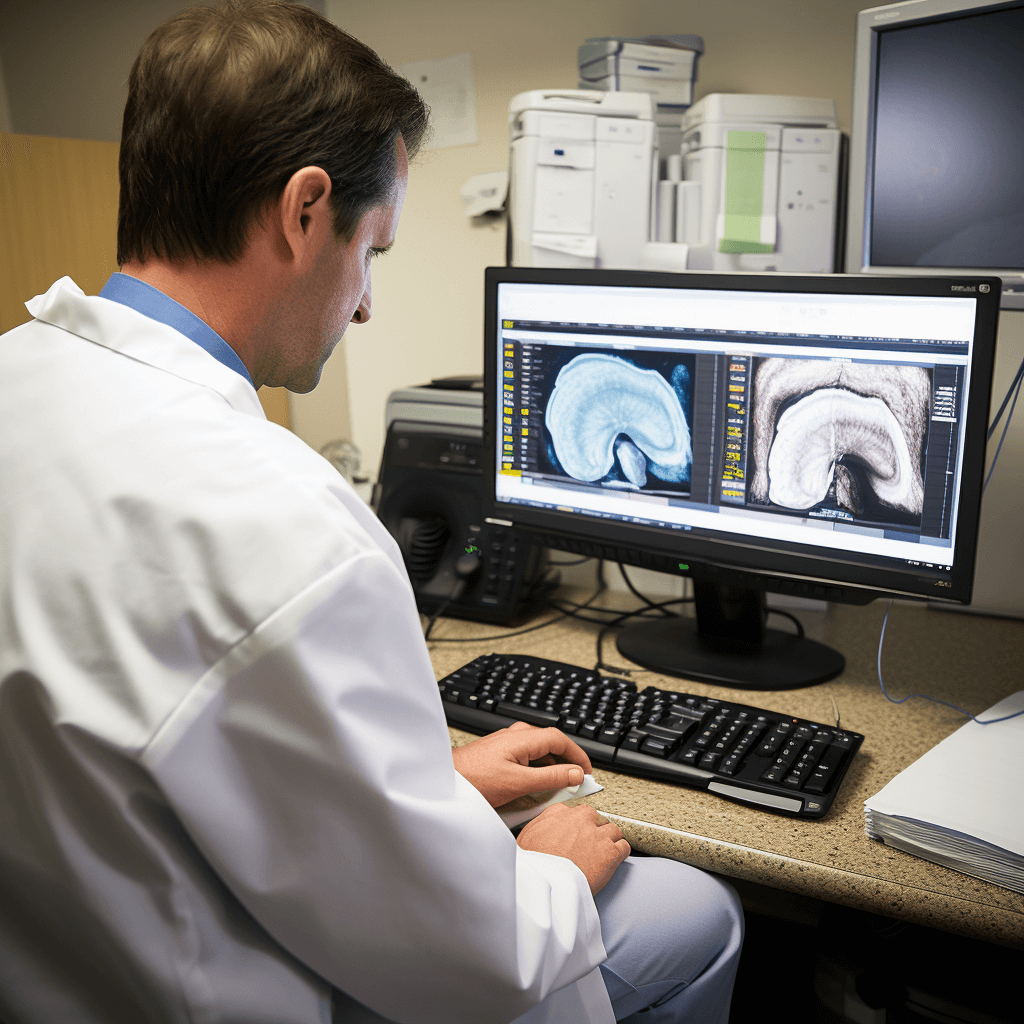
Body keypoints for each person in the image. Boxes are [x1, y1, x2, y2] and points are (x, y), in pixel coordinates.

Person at [0, 2, 743, 1022]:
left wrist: (424, 784)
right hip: (227, 987)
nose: (363, 306)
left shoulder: (16, 384)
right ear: (306, 210)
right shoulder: (279, 516)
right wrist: (556, 874)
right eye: (375, 251)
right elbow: (466, 953)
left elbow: (160, 734)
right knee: (691, 907)